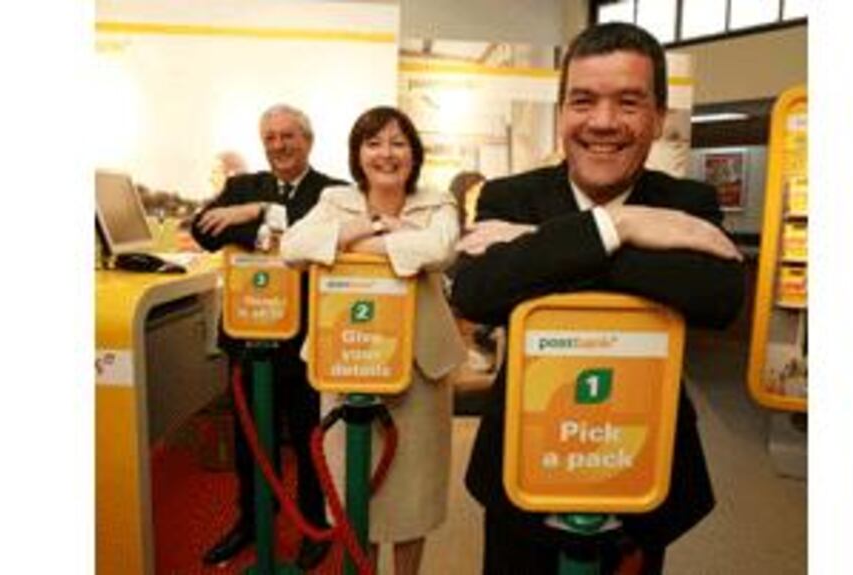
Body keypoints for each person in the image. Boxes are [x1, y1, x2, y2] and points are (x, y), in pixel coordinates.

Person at [450, 22, 745, 575]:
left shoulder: (689, 201)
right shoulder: (510, 194)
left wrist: (542, 247)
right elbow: (477, 291)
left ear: (658, 117)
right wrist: (619, 225)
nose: (604, 122)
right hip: (524, 458)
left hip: (641, 460)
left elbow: (717, 296)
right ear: (563, 112)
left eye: (629, 102)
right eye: (583, 101)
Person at [281, 105, 466, 575]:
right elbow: (293, 248)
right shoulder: (334, 199)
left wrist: (344, 246)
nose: (387, 153)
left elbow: (439, 250)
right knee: (352, 490)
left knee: (413, 497)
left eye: (398, 143)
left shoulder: (438, 200)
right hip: (349, 354)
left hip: (420, 367)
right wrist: (378, 228)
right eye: (374, 142)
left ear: (414, 153)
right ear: (357, 153)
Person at [191, 103, 345, 569]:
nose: (278, 145)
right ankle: (251, 521)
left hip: (303, 340)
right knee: (250, 439)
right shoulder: (239, 185)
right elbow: (205, 233)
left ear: (308, 140)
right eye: (270, 138)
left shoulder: (333, 193)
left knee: (307, 437)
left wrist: (260, 212)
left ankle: (311, 524)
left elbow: (322, 234)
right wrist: (254, 212)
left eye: (288, 136)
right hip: (248, 333)